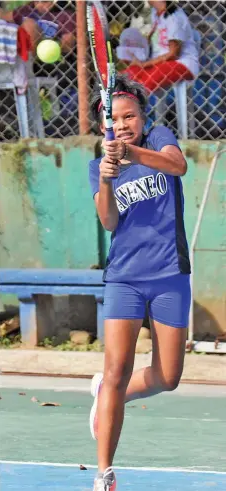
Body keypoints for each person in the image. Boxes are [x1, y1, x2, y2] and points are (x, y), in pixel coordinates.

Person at [88, 74, 191, 491]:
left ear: (142, 117)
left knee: (168, 377)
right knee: (117, 369)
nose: (124, 123)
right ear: (103, 127)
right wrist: (107, 178)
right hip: (124, 279)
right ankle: (104, 473)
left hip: (170, 275)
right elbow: (109, 221)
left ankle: (108, 395)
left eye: (130, 116)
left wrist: (132, 153)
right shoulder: (98, 165)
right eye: (115, 119)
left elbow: (178, 165)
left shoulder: (159, 138)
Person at [118, 0, 199, 92]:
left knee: (144, 83)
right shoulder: (155, 13)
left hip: (181, 63)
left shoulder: (175, 17)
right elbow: (152, 41)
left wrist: (144, 64)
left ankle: (134, 104)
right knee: (126, 75)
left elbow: (173, 54)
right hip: (158, 62)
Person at [0, 1, 75, 55]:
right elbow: (4, 17)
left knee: (30, 25)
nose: (39, 5)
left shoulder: (66, 14)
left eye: (45, 1)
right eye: (36, 1)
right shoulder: (27, 9)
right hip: (24, 53)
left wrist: (46, 45)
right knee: (28, 24)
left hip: (50, 55)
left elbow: (68, 47)